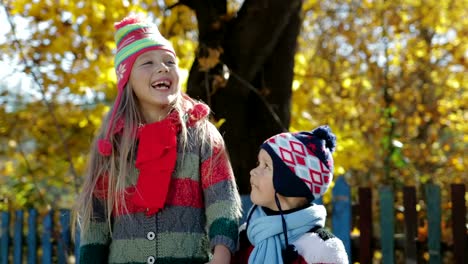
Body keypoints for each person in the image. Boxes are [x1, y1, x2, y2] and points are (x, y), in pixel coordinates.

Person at [76, 14, 241, 264]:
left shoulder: (202, 136)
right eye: (147, 63)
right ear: (126, 78)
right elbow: (96, 221)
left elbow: (224, 201)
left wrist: (221, 257)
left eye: (169, 61)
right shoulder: (113, 144)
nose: (162, 67)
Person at [232, 126, 348, 264]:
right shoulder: (246, 235)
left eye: (266, 166)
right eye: (258, 163)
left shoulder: (323, 248)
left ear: (290, 182)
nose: (253, 171)